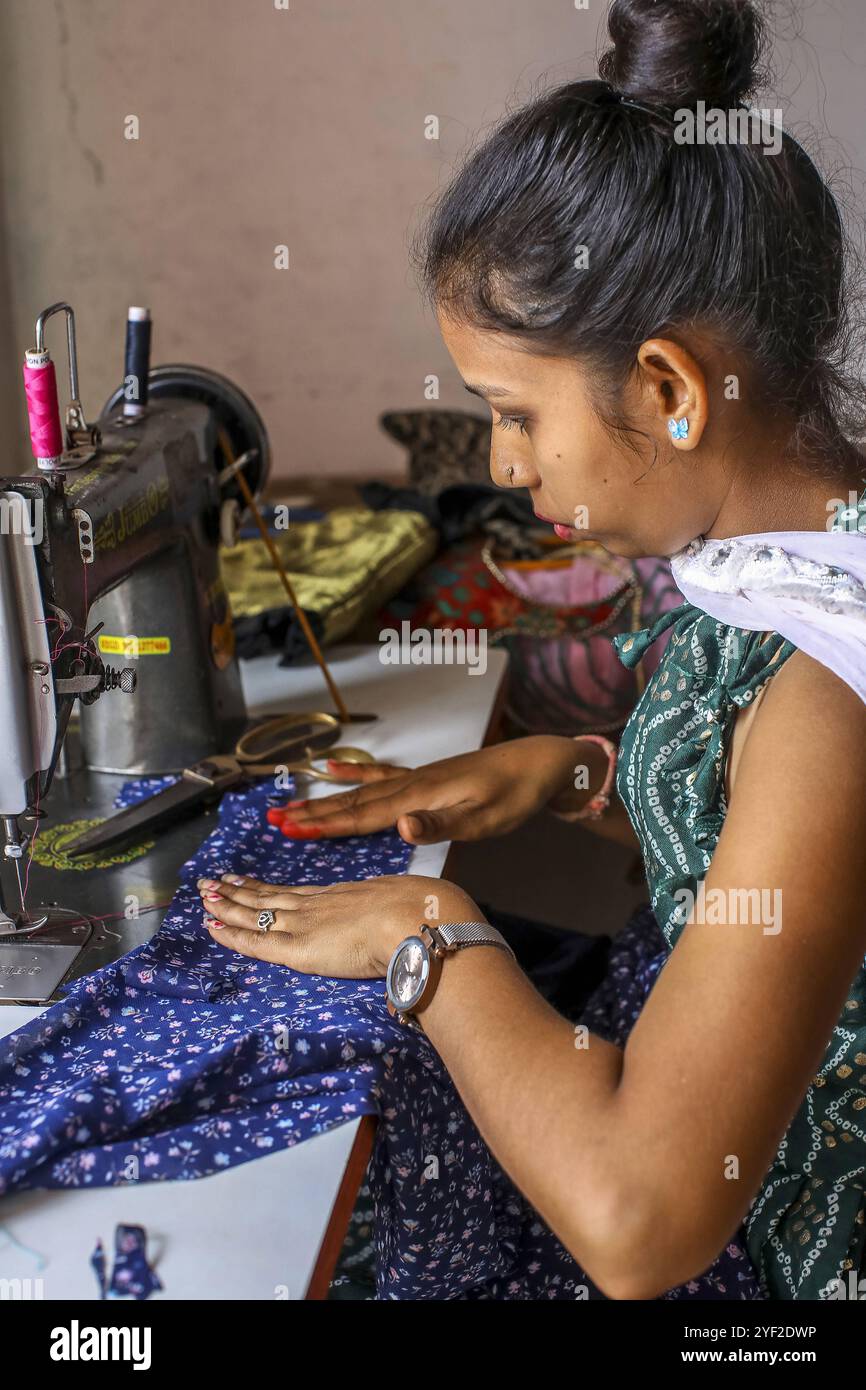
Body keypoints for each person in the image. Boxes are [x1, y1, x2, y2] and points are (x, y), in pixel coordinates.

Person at [197, 0, 866, 1299]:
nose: (502, 464)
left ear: (670, 391)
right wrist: (569, 776)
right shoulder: (779, 567)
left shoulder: (826, 689)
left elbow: (636, 1222)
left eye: (513, 412)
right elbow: (774, 858)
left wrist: (427, 934)